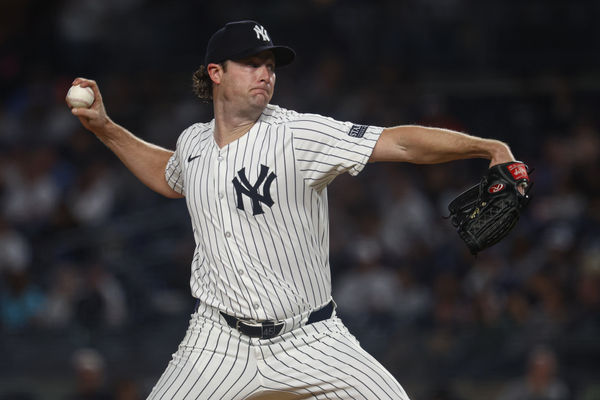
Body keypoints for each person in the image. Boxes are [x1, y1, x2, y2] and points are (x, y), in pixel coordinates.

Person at [69, 20, 520, 400]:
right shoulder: (193, 143)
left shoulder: (297, 135)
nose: (265, 73)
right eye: (251, 64)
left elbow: (397, 140)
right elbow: (170, 176)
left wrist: (486, 147)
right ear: (216, 73)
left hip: (311, 337)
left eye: (270, 66)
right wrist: (107, 129)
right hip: (216, 340)